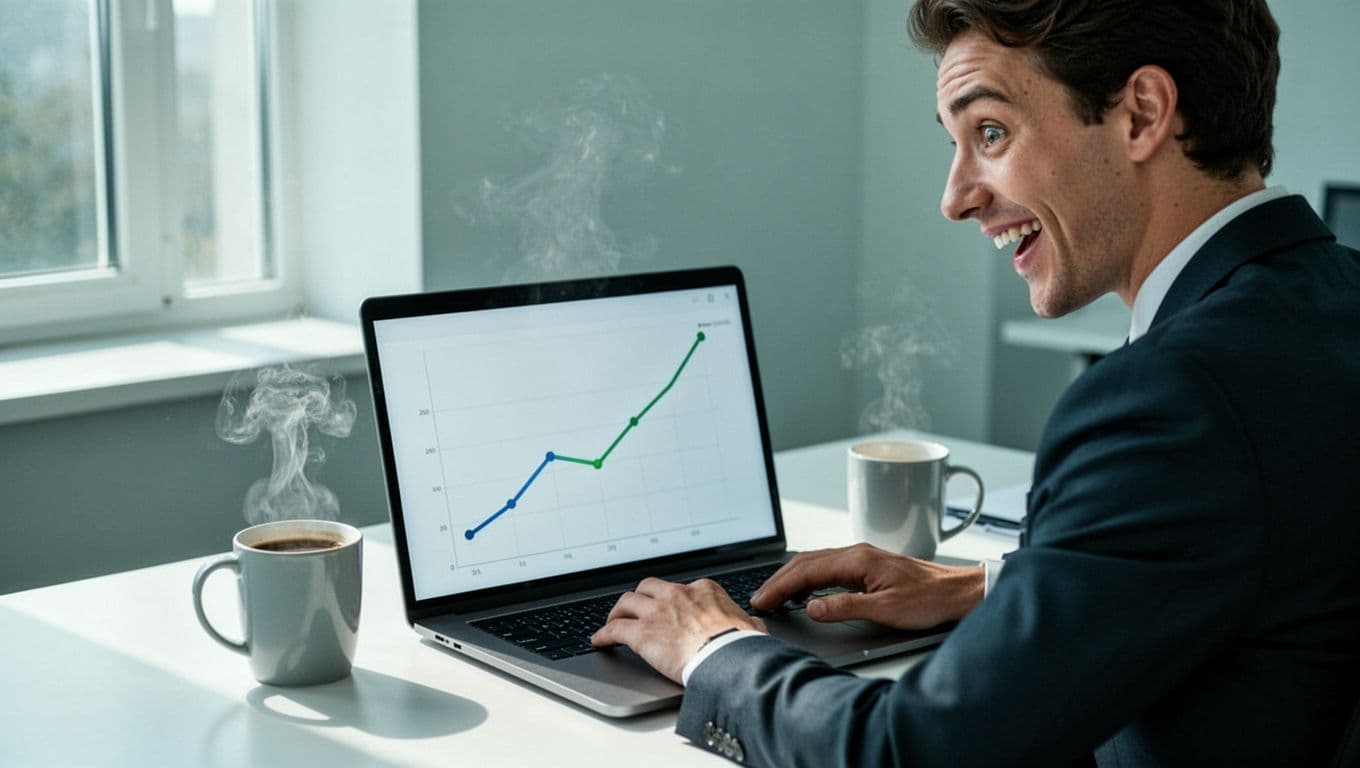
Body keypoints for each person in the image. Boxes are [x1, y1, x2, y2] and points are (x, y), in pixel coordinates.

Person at [589, 0, 1360, 765]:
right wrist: (988, 587)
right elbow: (1256, 559)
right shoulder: (1332, 302)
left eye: (990, 133)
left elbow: (913, 752)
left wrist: (714, 651)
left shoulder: (1171, 399)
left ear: (1142, 114)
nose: (955, 198)